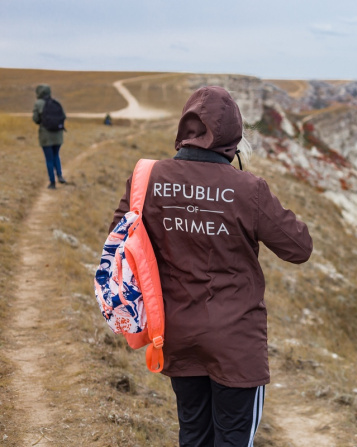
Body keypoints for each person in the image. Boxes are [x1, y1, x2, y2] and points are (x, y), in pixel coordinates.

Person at [109, 86, 313, 447]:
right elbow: (299, 247)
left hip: (177, 331)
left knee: (193, 434)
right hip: (236, 342)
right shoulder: (248, 188)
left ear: (184, 129)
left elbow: (119, 239)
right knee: (234, 439)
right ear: (234, 137)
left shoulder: (148, 179)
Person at [32, 84, 66, 189]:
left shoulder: (38, 103)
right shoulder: (56, 102)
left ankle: (52, 182)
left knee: (49, 159)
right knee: (56, 155)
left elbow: (36, 119)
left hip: (46, 136)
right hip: (58, 135)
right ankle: (60, 175)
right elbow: (63, 116)